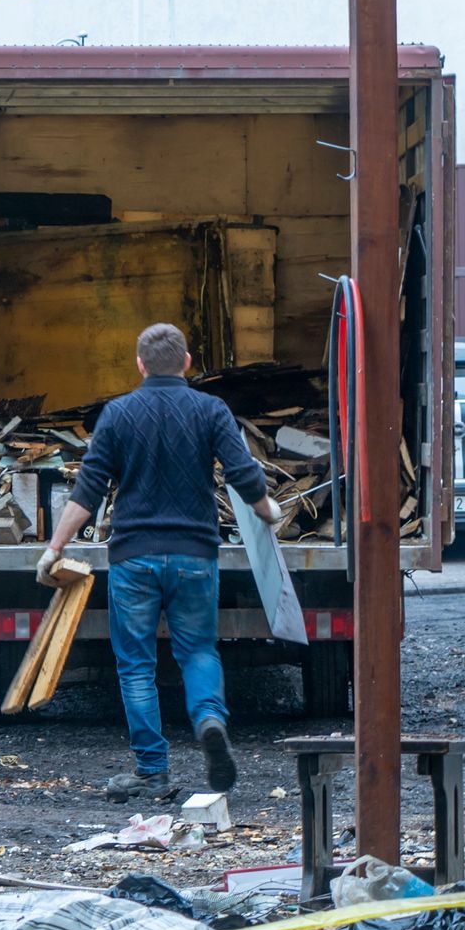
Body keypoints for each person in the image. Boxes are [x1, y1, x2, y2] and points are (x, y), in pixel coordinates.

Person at [39, 323, 279, 801]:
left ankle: (152, 770)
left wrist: (54, 548)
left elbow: (88, 490)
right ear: (187, 362)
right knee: (198, 651)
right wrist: (267, 510)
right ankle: (209, 718)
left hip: (134, 558)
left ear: (140, 364)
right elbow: (242, 473)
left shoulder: (118, 414)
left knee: (135, 666)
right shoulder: (211, 410)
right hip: (194, 555)